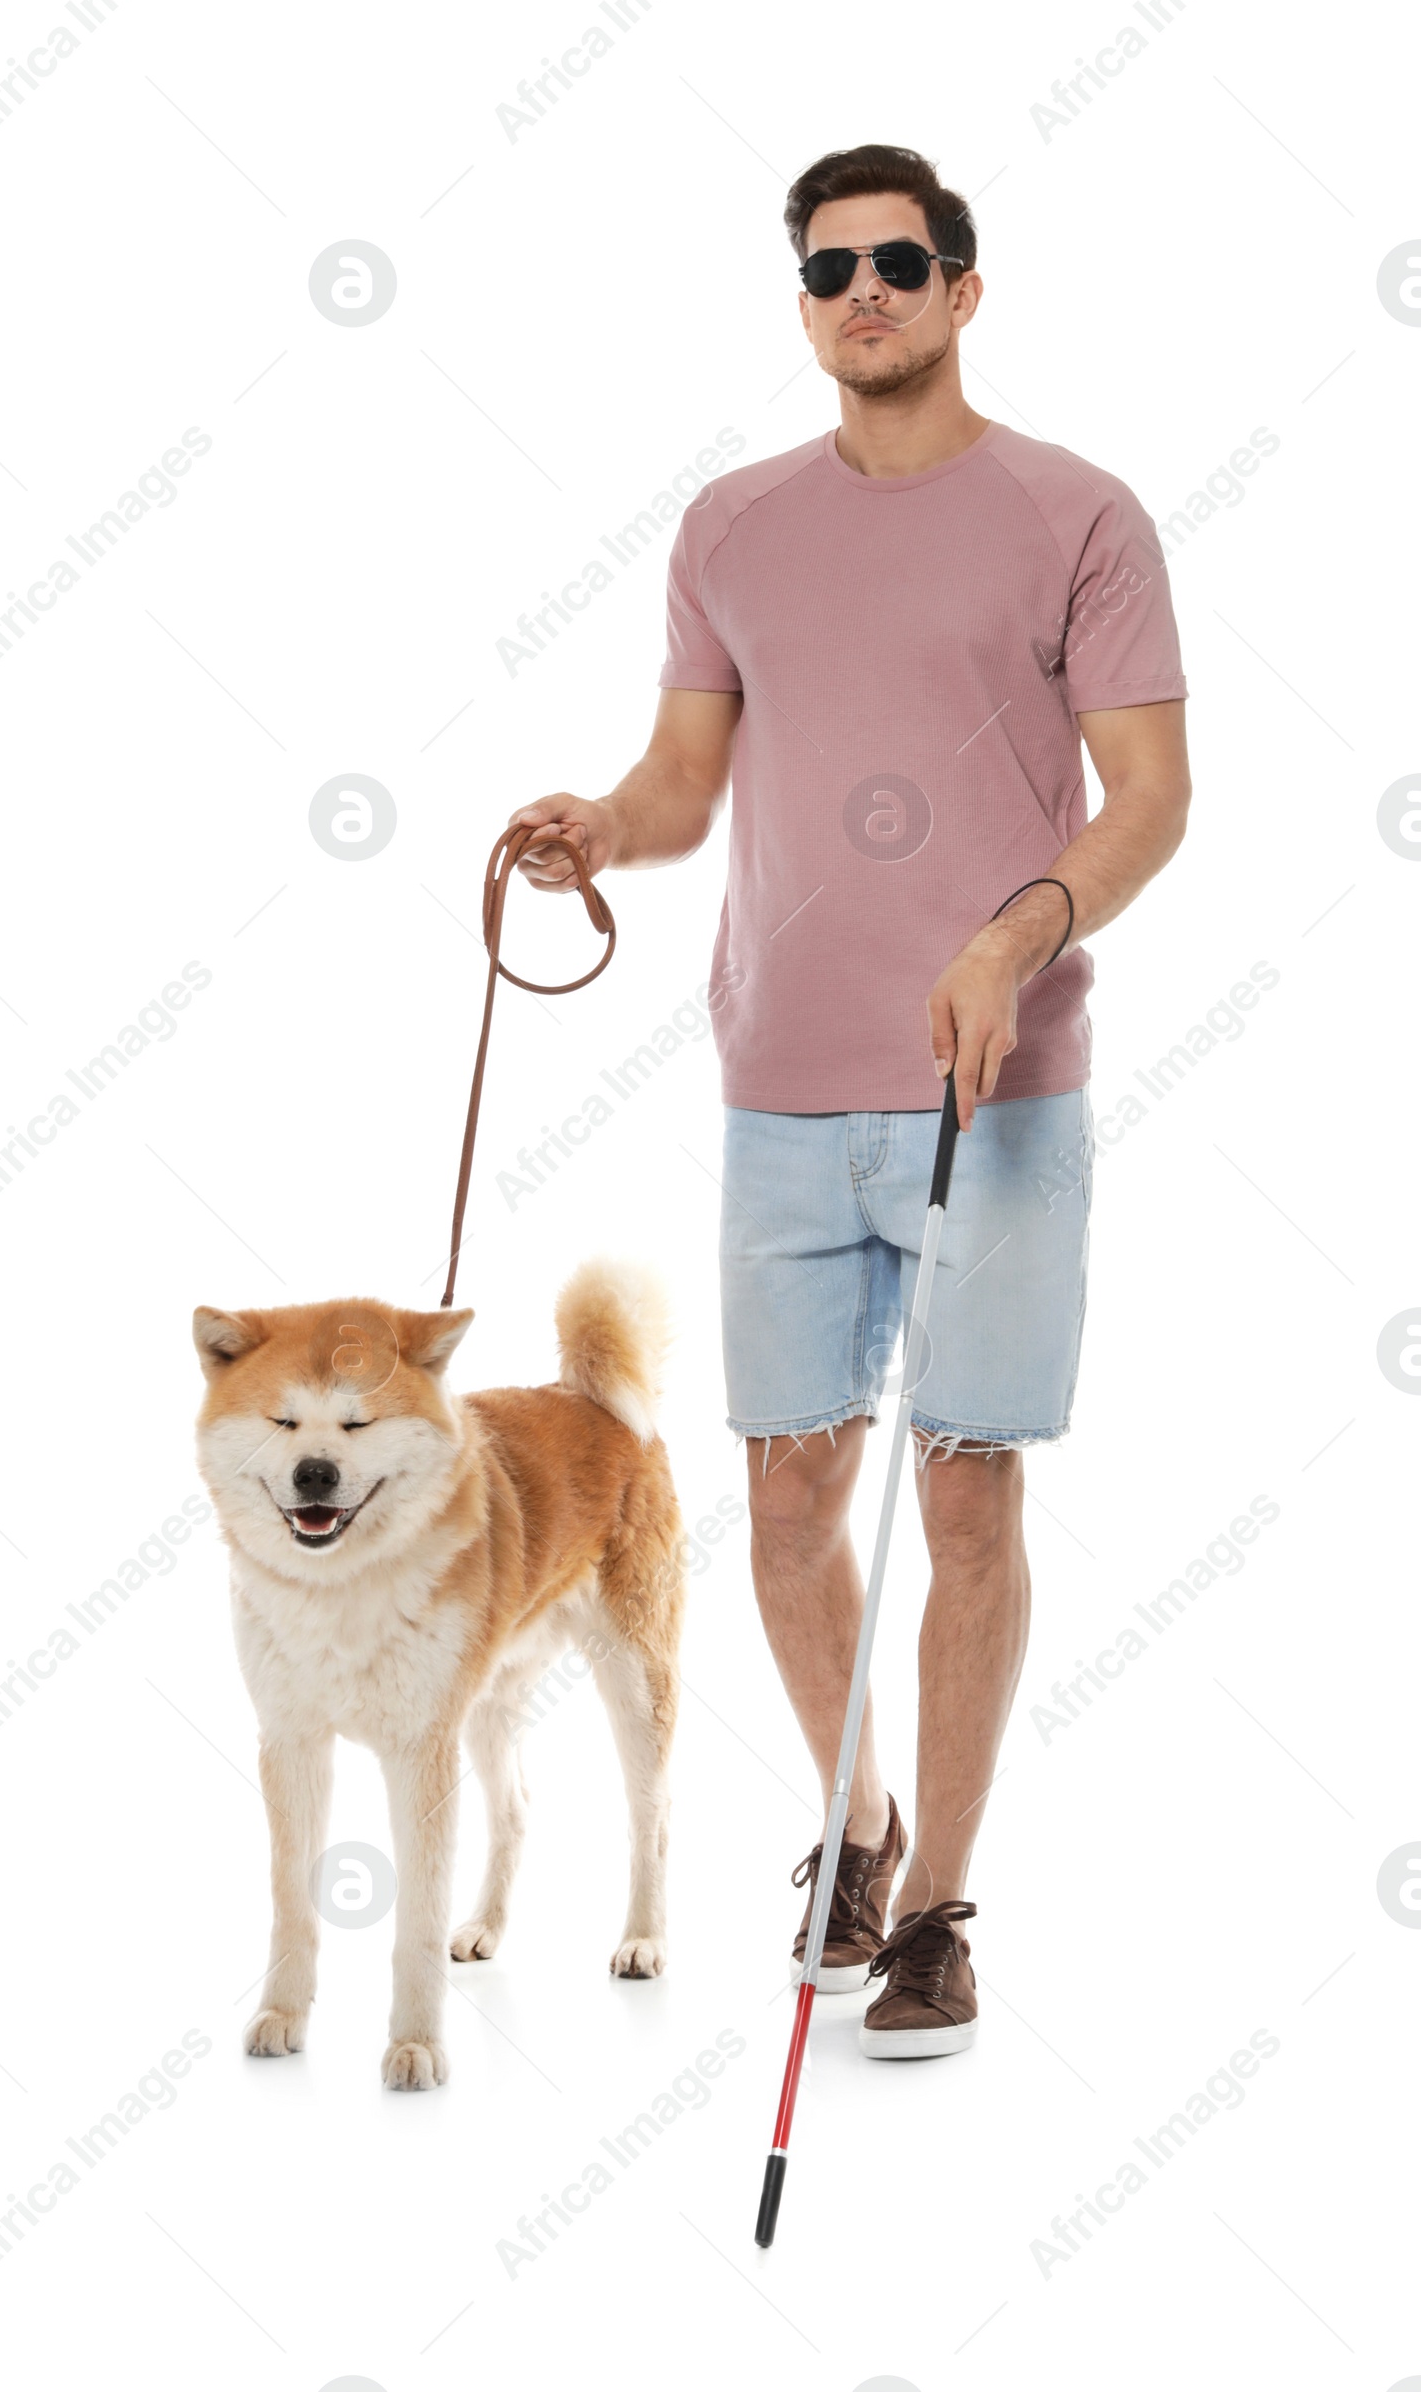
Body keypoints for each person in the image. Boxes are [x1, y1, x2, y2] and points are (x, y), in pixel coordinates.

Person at [507, 142, 1190, 2061]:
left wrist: (1015, 935)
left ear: (966, 290)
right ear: (802, 305)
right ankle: (856, 1826)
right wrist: (599, 834)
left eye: (900, 261)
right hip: (781, 1085)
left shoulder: (1082, 516)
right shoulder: (731, 526)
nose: (863, 291)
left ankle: (942, 1914)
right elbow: (676, 781)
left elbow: (1150, 801)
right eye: (830, 271)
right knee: (788, 1497)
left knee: (967, 1494)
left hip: (1003, 1085)